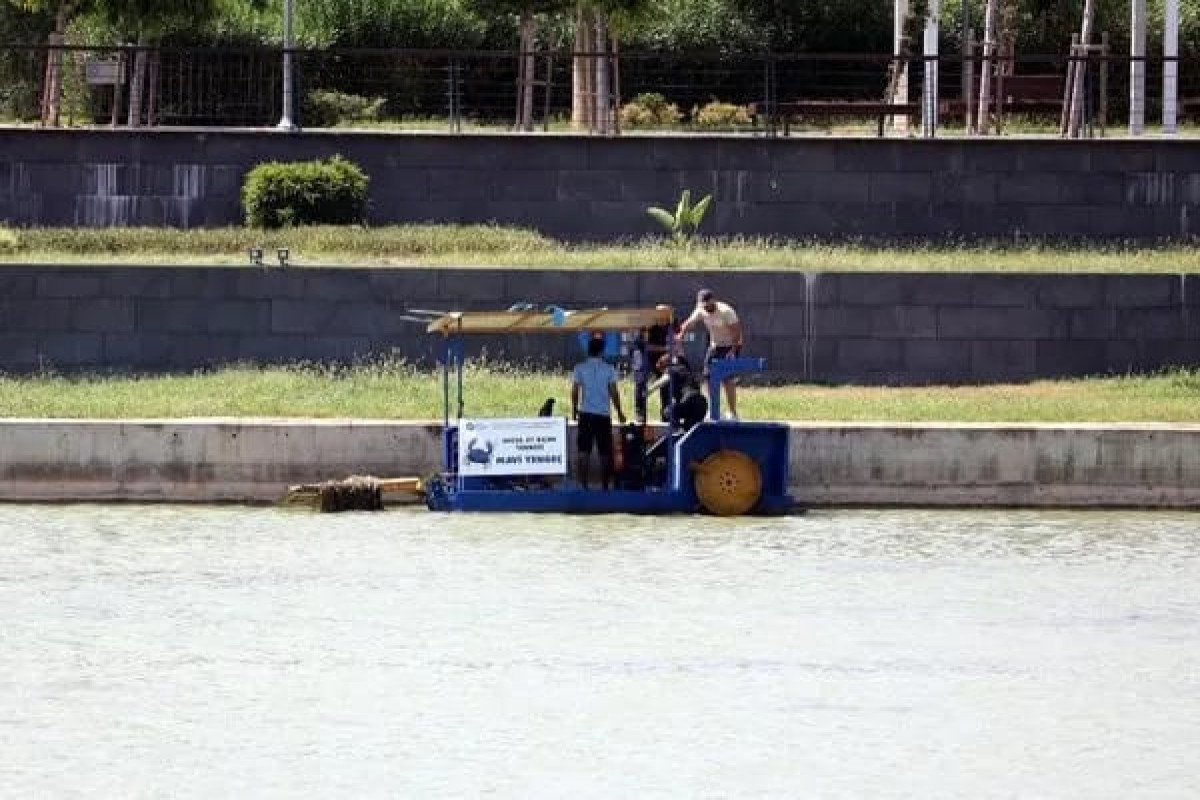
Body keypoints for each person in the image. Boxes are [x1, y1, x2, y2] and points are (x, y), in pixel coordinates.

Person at [677, 288, 743, 419]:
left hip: (732, 345)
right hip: (715, 346)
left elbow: (737, 331)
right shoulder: (701, 309)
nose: (705, 308)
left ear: (713, 300)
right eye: (703, 305)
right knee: (708, 376)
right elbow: (689, 323)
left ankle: (733, 412)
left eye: (707, 305)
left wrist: (733, 351)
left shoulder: (726, 311)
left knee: (727, 379)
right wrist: (681, 335)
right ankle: (714, 410)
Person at [571, 335, 627, 490]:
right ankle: (604, 486)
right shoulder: (609, 369)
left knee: (583, 450)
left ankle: (583, 486)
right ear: (602, 351)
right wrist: (620, 412)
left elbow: (574, 391)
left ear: (588, 351)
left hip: (586, 414)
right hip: (603, 415)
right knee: (604, 451)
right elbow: (614, 393)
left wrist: (574, 409)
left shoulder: (579, 368)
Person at [649, 353, 707, 432]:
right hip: (702, 404)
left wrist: (648, 391)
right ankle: (683, 430)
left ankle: (678, 431)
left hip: (689, 401)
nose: (662, 374)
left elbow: (664, 379)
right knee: (688, 429)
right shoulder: (685, 369)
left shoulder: (671, 370)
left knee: (667, 411)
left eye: (662, 371)